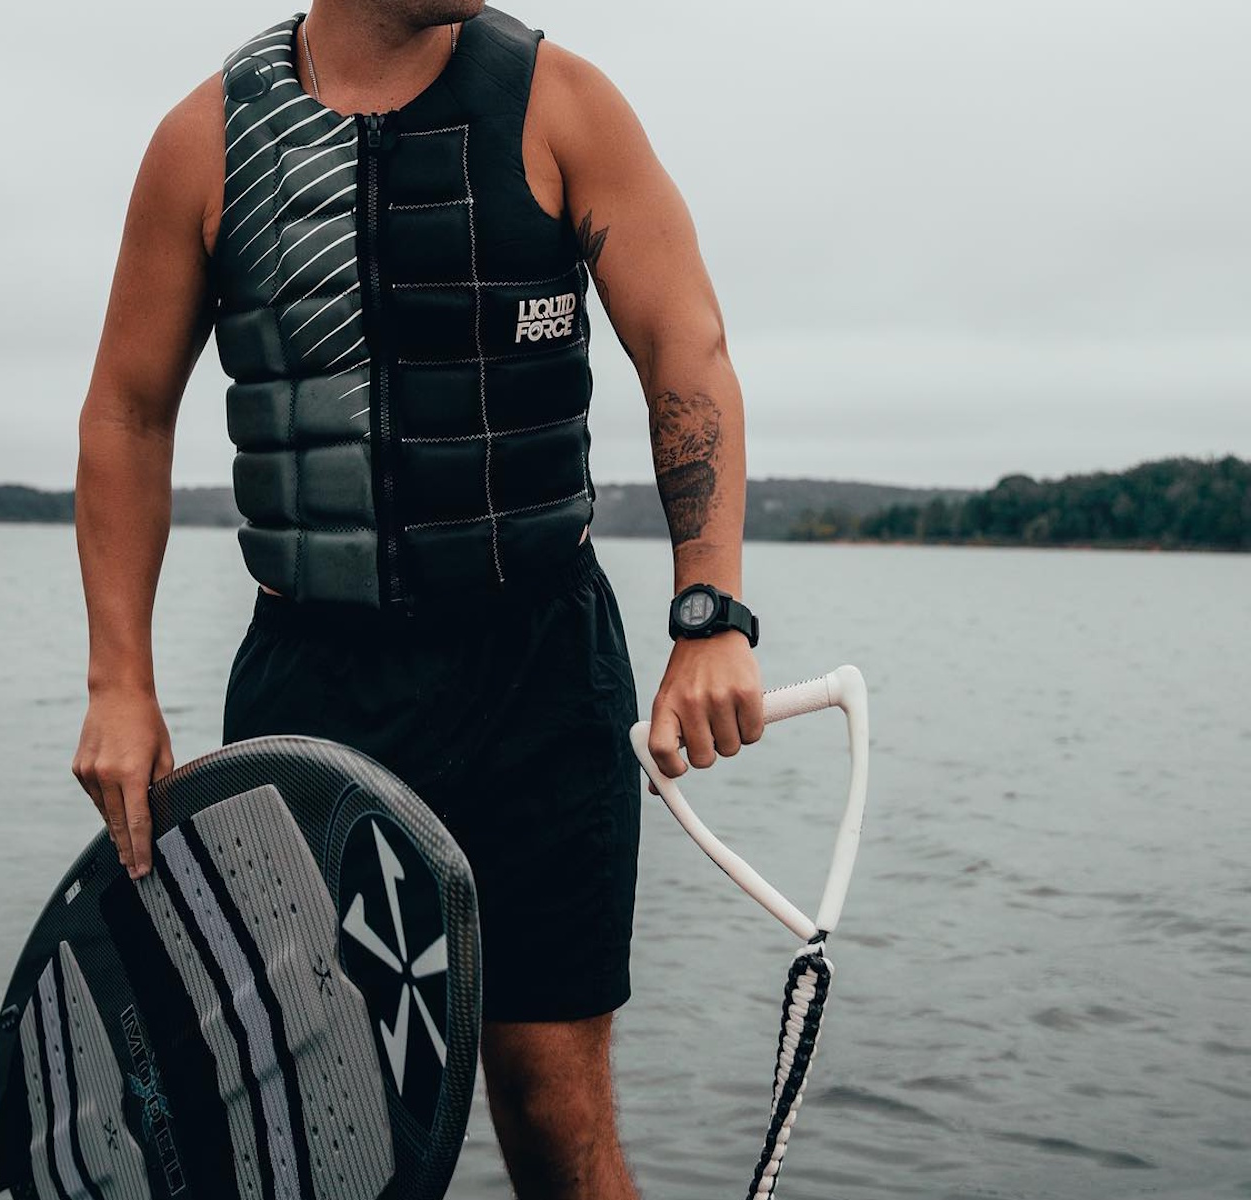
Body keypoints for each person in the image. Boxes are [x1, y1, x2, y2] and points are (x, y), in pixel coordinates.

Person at [70, 3, 763, 1196]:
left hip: (536, 670)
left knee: (550, 1102)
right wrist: (118, 684)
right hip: (315, 688)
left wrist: (709, 614)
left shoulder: (561, 105)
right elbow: (127, 413)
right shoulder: (206, 143)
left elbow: (684, 351)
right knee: (319, 1127)